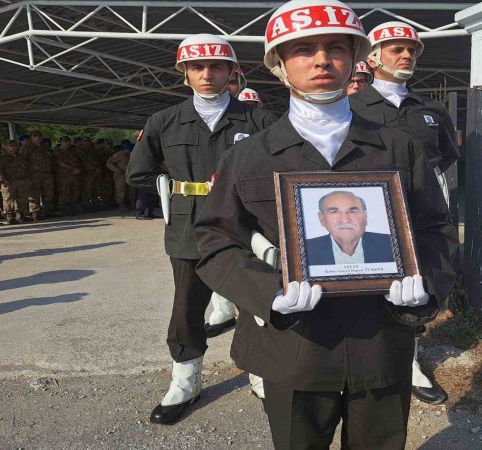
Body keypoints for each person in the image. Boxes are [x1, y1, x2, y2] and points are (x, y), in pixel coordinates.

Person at [192, 1, 458, 447]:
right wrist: (267, 293)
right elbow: (215, 239)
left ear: (355, 59)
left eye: (336, 47)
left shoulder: (399, 147)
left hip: (381, 339)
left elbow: (435, 228)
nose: (321, 60)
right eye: (302, 50)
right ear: (279, 64)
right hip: (293, 346)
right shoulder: (247, 156)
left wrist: (427, 285)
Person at [126, 33, 277, 426]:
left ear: (232, 72)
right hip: (189, 227)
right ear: (185, 74)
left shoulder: (259, 120)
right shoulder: (164, 121)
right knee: (187, 306)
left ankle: (260, 372)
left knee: (253, 302)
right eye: (197, 67)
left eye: (216, 66)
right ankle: (186, 380)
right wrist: (174, 188)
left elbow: (283, 167)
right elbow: (138, 172)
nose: (207, 74)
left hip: (244, 226)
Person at [349, 20, 462, 405]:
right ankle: (361, 360)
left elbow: (446, 155)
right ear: (373, 57)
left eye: (412, 50)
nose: (406, 55)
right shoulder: (350, 105)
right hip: (367, 211)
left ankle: (408, 363)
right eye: (397, 49)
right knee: (365, 283)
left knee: (414, 285)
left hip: (419, 212)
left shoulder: (432, 109)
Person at [305, 190, 393, 266]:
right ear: (322, 218)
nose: (345, 220)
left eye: (353, 211)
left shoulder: (392, 244)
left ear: (365, 217)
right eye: (334, 211)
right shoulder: (305, 249)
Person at [0, 140, 32, 224]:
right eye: (11, 146)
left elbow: (25, 168)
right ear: (6, 147)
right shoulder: (1, 156)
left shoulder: (20, 156)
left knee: (22, 198)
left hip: (21, 179)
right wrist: (3, 179)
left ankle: (20, 215)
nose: (13, 147)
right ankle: (10, 216)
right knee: (8, 198)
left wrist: (28, 178)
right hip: (9, 180)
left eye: (15, 145)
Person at [26, 131, 57, 220]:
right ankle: (35, 212)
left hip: (47, 174)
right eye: (35, 136)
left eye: (40, 136)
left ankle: (48, 211)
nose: (38, 137)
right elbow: (23, 162)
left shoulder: (45, 148)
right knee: (34, 194)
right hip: (34, 174)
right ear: (31, 138)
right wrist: (27, 175)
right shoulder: (27, 148)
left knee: (48, 193)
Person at [106, 144, 134, 212]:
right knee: (120, 190)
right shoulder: (118, 155)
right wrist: (116, 170)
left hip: (129, 175)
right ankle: (120, 203)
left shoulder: (130, 155)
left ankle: (129, 203)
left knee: (130, 190)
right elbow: (108, 163)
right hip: (120, 175)